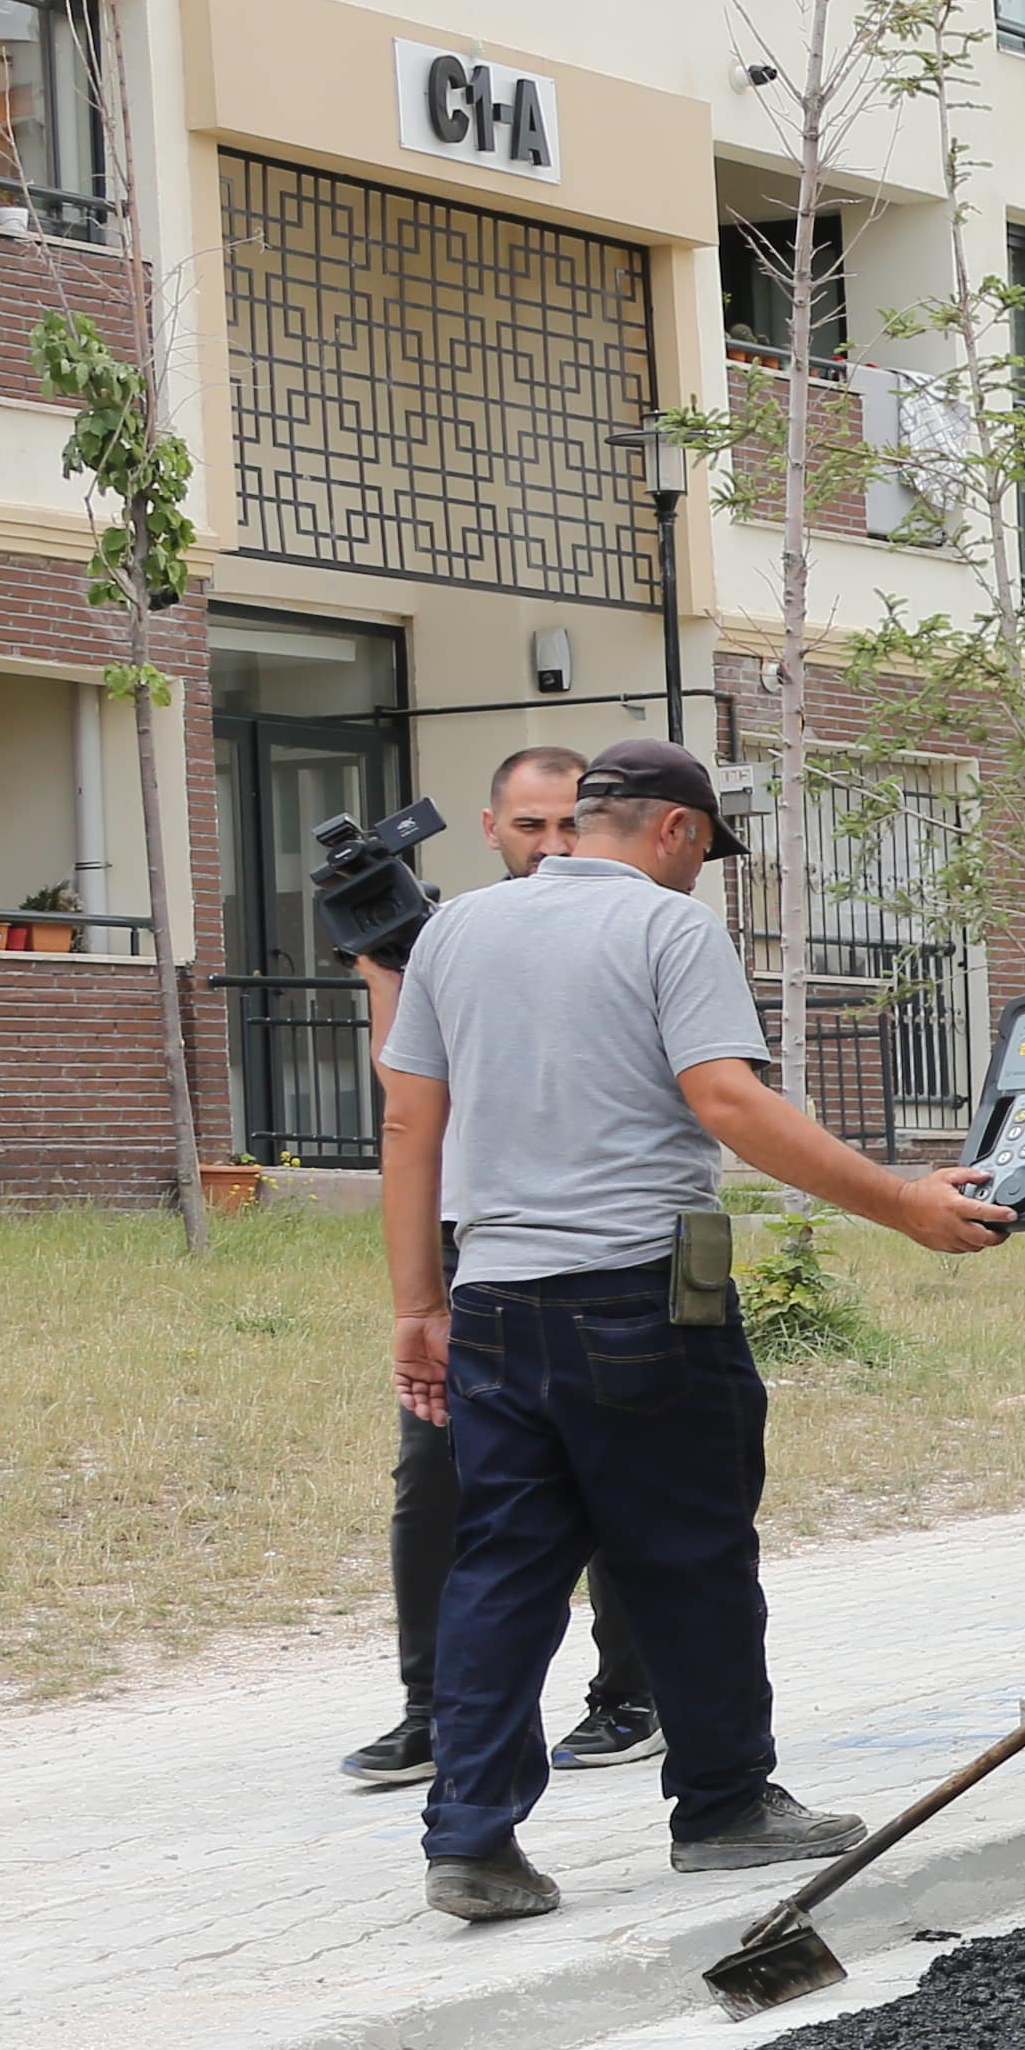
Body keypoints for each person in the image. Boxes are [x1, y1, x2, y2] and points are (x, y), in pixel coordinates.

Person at [375, 740, 1012, 1927]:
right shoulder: (671, 932)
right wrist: (907, 1204)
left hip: (494, 1301)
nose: (701, 878)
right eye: (705, 855)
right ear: (674, 831)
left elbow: (410, 1122)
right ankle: (721, 1805)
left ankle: (469, 1840)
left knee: (504, 1567)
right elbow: (728, 1102)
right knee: (690, 1551)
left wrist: (419, 1309)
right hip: (648, 1292)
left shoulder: (455, 931)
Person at [338, 745, 660, 1790]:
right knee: (433, 1478)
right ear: (491, 830)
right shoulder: (461, 936)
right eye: (532, 827)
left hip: (623, 1244)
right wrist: (388, 965)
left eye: (571, 824)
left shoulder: (647, 925)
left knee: (625, 1470)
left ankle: (634, 1694)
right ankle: (432, 1709)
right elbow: (407, 1100)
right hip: (479, 1237)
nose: (554, 846)